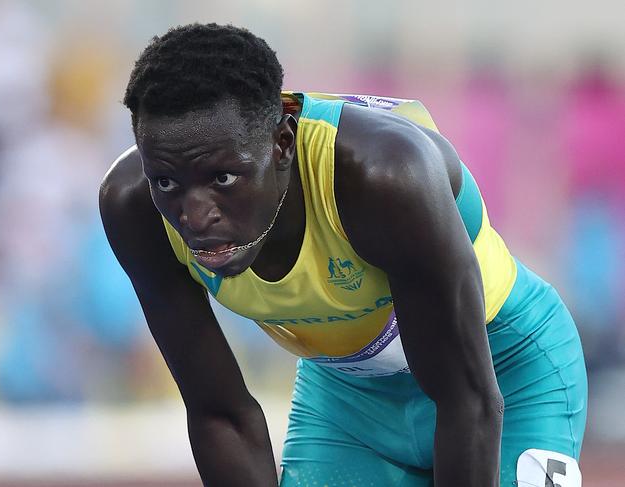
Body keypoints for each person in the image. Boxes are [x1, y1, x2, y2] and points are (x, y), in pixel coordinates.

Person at [99, 24, 587, 487]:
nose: (195, 216)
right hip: (351, 399)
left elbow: (468, 400)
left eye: (223, 178)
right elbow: (219, 412)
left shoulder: (384, 177)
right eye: (167, 182)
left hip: (504, 369)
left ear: (283, 144)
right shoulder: (134, 208)